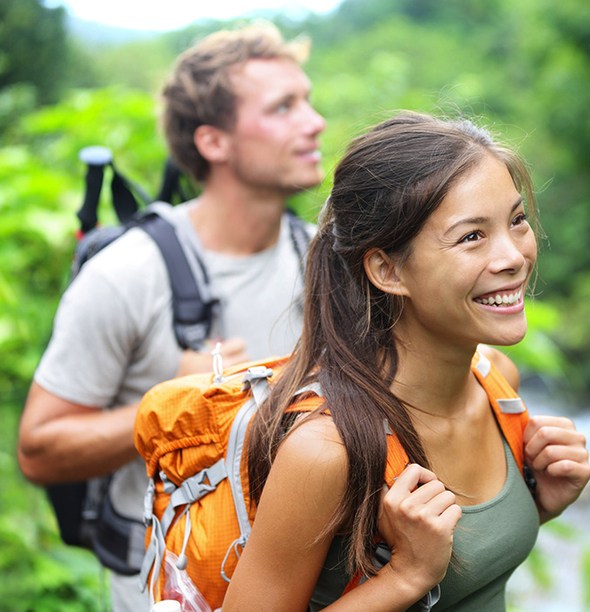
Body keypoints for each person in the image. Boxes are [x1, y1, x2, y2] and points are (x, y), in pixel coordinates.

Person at [224, 112, 590, 611]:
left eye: (517, 220)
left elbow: (469, 572)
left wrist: (536, 502)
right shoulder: (327, 451)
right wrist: (405, 575)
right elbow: (426, 572)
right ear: (387, 270)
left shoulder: (495, 384)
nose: (513, 256)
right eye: (471, 237)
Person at [16, 22, 326, 612]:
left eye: (307, 101)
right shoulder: (128, 274)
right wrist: (180, 405)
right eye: (283, 107)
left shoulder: (326, 261)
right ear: (214, 142)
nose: (314, 122)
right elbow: (39, 450)